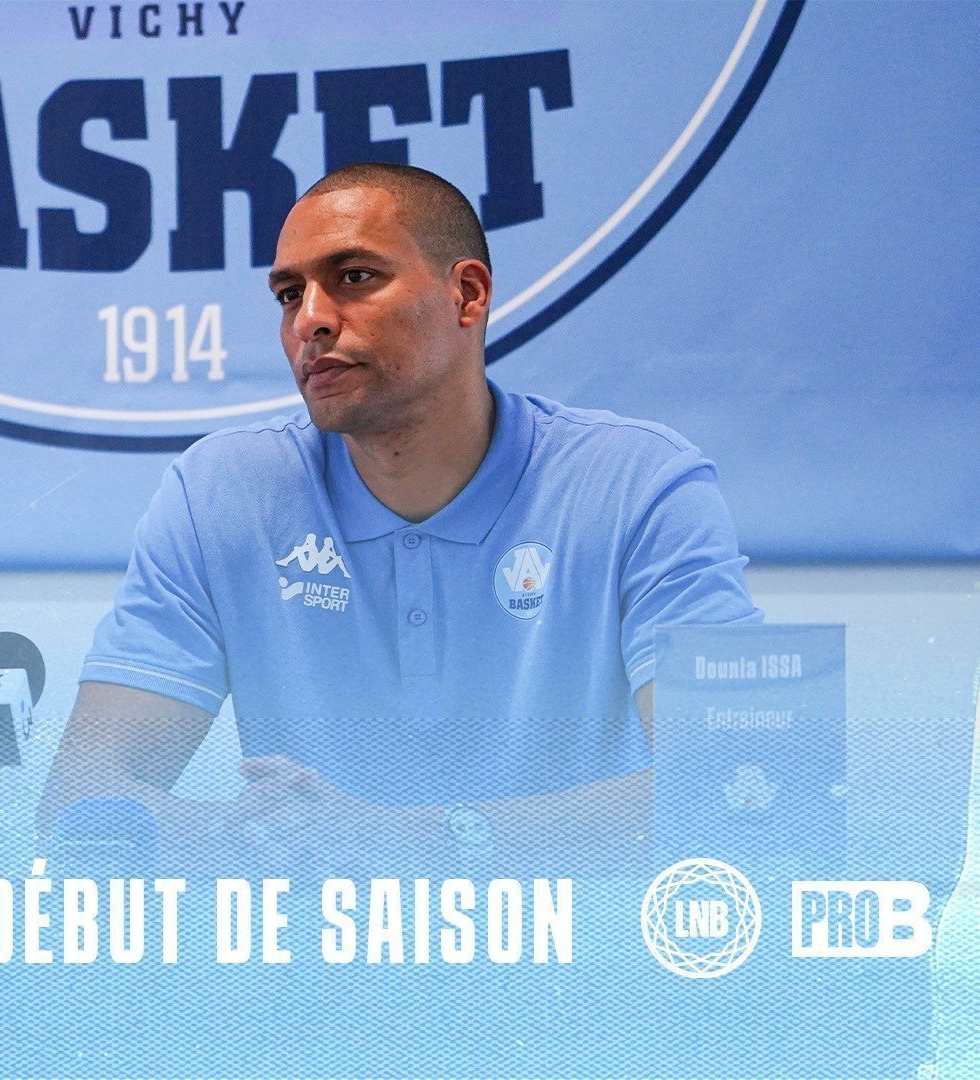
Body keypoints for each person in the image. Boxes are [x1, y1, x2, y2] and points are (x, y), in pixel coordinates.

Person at [39, 163, 761, 875]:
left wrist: (413, 842)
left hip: (573, 946)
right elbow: (78, 797)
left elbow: (735, 789)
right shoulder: (222, 492)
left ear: (467, 295)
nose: (310, 320)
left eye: (355, 277)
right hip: (312, 942)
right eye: (289, 295)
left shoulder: (638, 483)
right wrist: (259, 839)